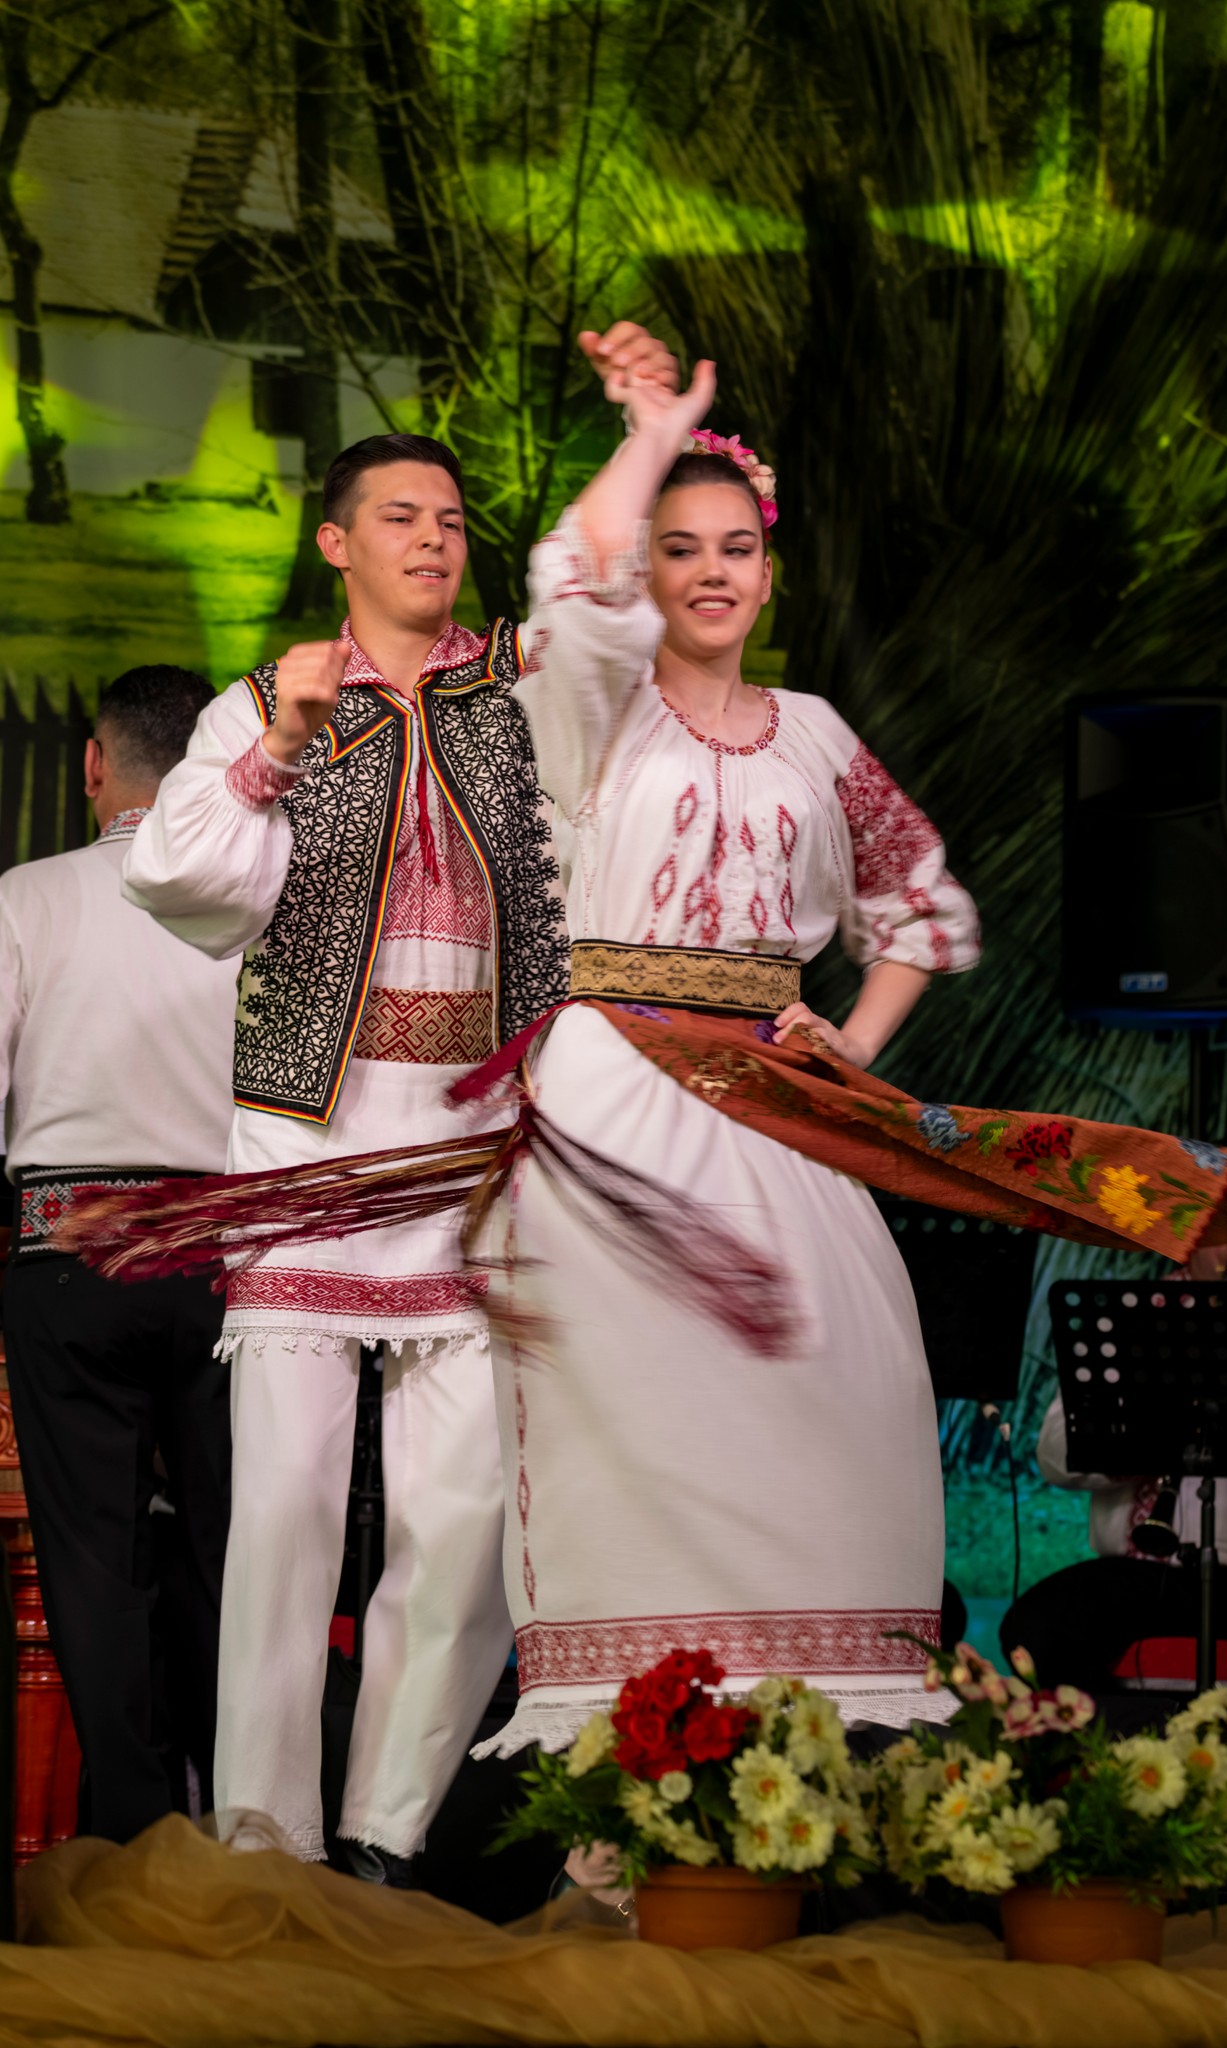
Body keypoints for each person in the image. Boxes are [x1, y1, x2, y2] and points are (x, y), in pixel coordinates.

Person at [119, 327, 678, 1881]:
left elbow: (603, 601)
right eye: (399, 518)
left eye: (449, 519)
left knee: (461, 1518)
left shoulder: (522, 689)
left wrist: (647, 436)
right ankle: (263, 1835)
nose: (433, 539)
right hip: (308, 1143)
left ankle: (385, 1830)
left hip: (474, 1149)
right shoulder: (268, 700)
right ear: (335, 544)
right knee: (285, 1515)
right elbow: (180, 881)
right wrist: (278, 748)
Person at [462, 344, 982, 1758]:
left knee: (839, 1374)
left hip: (776, 1103)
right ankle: (630, 1744)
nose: (709, 572)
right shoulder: (593, 709)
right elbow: (573, 580)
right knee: (641, 1404)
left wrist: (849, 1041)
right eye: (680, 547)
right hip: (615, 1092)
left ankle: (819, 1736)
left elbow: (919, 901)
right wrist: (655, 432)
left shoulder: (812, 732)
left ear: (769, 570)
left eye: (735, 548)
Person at [0, 665, 237, 1843]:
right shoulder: (254, 907)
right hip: (225, 1267)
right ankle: (235, 1819)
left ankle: (133, 1839)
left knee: (94, 1564)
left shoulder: (27, 894)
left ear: (94, 764)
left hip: (68, 1259)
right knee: (225, 1554)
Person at [1000, 1135, 1227, 1894]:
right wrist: (1144, 1430)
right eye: (1218, 1226)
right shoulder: (1136, 1322)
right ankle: (1106, 1818)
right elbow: (1055, 1454)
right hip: (1155, 1574)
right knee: (1037, 1629)